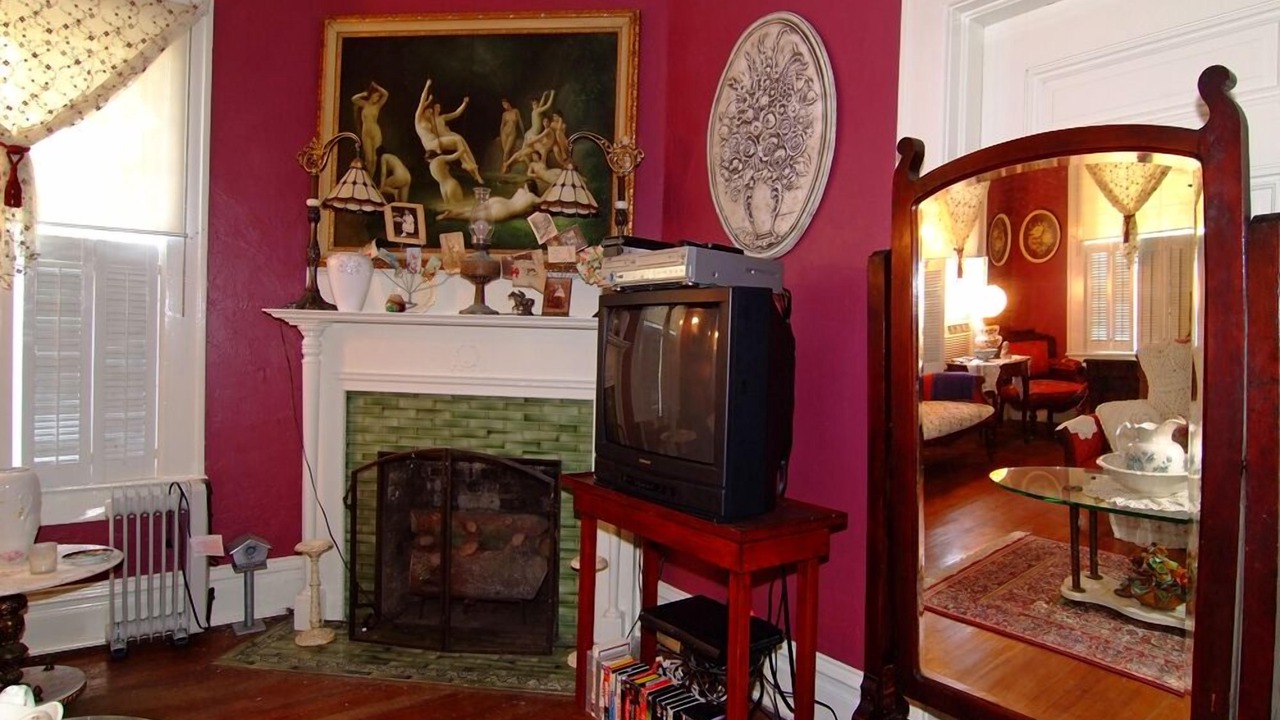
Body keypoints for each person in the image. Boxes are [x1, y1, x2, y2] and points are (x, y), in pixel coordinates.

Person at [414, 79, 484, 186]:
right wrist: (427, 86)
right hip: (431, 145)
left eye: (435, 110)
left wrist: (464, 103)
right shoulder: (418, 118)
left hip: (438, 141)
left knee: (459, 141)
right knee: (458, 141)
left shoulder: (437, 118)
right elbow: (421, 102)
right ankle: (466, 164)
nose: (431, 113)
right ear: (425, 110)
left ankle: (469, 166)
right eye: (430, 111)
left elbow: (456, 113)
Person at [436, 181, 541, 223]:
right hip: (505, 210)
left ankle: (454, 211)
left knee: (475, 209)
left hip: (501, 200)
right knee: (475, 216)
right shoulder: (531, 197)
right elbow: (542, 200)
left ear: (526, 187)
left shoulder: (520, 191)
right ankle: (450, 216)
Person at [351, 81, 387, 171]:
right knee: (369, 159)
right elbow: (354, 99)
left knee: (374, 159)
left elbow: (386, 94)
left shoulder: (377, 106)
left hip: (375, 132)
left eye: (379, 97)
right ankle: (368, 177)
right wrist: (363, 94)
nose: (377, 98)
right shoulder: (364, 104)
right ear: (372, 95)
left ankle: (371, 180)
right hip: (366, 132)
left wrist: (377, 86)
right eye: (376, 96)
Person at [498, 98, 525, 165]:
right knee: (506, 151)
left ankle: (504, 166)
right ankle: (506, 167)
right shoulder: (504, 114)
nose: (504, 106)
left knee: (507, 151)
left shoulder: (516, 111)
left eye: (505, 104)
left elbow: (520, 122)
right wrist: (500, 135)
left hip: (512, 133)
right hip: (504, 133)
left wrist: (524, 133)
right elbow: (502, 126)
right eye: (503, 105)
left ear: (509, 103)